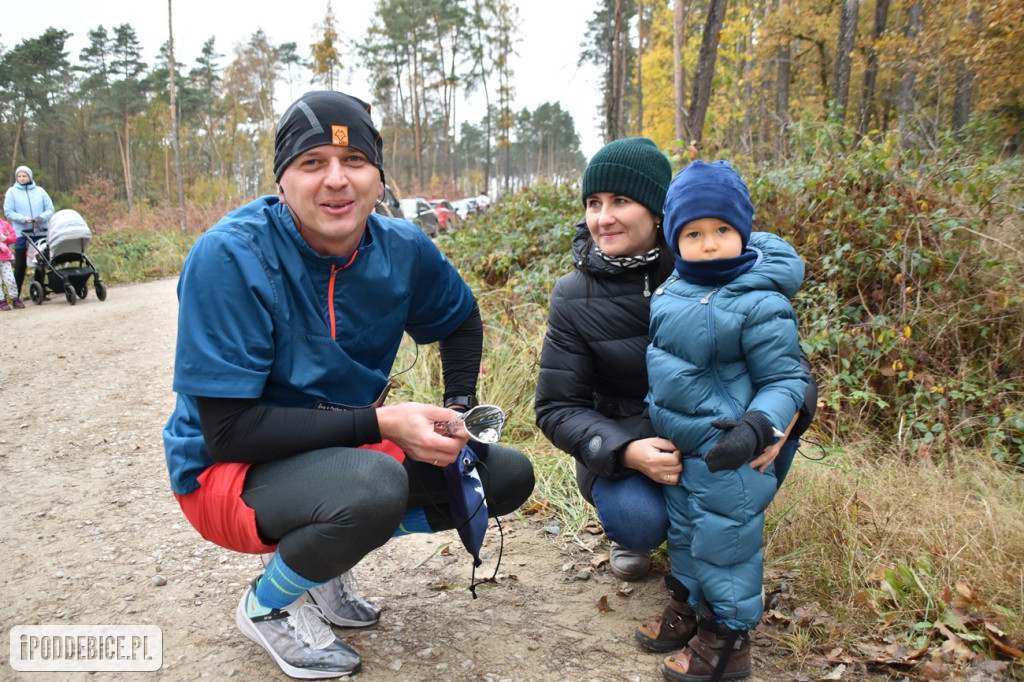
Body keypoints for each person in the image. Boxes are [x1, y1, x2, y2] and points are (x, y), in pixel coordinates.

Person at [162, 90, 535, 680]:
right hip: (225, 471)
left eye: (354, 162)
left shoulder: (402, 248)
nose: (336, 180)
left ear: (378, 179)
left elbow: (460, 319)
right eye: (312, 163)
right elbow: (229, 433)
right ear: (282, 181)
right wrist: (383, 423)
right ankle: (267, 605)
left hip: (343, 454)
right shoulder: (230, 256)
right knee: (373, 485)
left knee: (503, 477)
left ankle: (322, 563)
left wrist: (457, 408)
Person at [640, 160, 808, 682]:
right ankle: (692, 607)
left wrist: (760, 426)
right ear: (675, 239)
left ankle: (728, 640)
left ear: (743, 231)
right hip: (684, 446)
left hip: (735, 447)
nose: (709, 244)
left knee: (728, 544)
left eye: (722, 230)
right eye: (693, 233)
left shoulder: (759, 299)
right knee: (689, 535)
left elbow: (786, 379)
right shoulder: (672, 289)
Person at [536, 137, 680, 581]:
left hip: (701, 430)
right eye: (594, 203)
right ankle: (633, 527)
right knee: (639, 521)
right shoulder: (574, 295)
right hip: (624, 441)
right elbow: (556, 408)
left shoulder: (704, 265)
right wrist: (627, 452)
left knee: (779, 436)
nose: (604, 217)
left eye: (621, 200)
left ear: (657, 211)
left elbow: (787, 369)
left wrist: (774, 426)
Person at [3, 165, 55, 306]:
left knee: (40, 262)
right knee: (20, 265)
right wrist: (22, 218)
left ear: (30, 177)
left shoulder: (40, 191)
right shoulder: (12, 192)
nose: (21, 178)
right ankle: (16, 296)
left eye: (24, 176)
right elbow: (8, 211)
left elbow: (50, 208)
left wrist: (41, 217)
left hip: (40, 231)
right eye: (19, 176)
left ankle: (39, 292)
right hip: (22, 233)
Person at [0, 218, 17, 309]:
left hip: (4, 257)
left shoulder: (4, 224)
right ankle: (1, 301)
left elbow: (14, 238)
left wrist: (6, 238)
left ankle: (14, 298)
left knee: (10, 279)